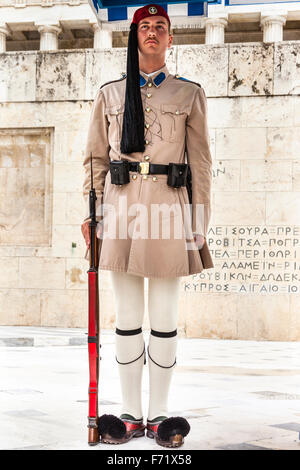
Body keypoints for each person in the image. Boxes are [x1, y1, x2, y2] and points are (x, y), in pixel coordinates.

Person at [81, 3, 213, 448]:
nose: (153, 33)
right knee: (127, 318)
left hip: (169, 210)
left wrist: (199, 221)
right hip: (119, 210)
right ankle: (129, 414)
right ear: (135, 36)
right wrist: (90, 215)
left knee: (164, 316)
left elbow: (201, 166)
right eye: (145, 27)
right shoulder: (110, 94)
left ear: (171, 38)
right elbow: (97, 159)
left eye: (161, 27)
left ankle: (159, 415)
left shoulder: (189, 94)